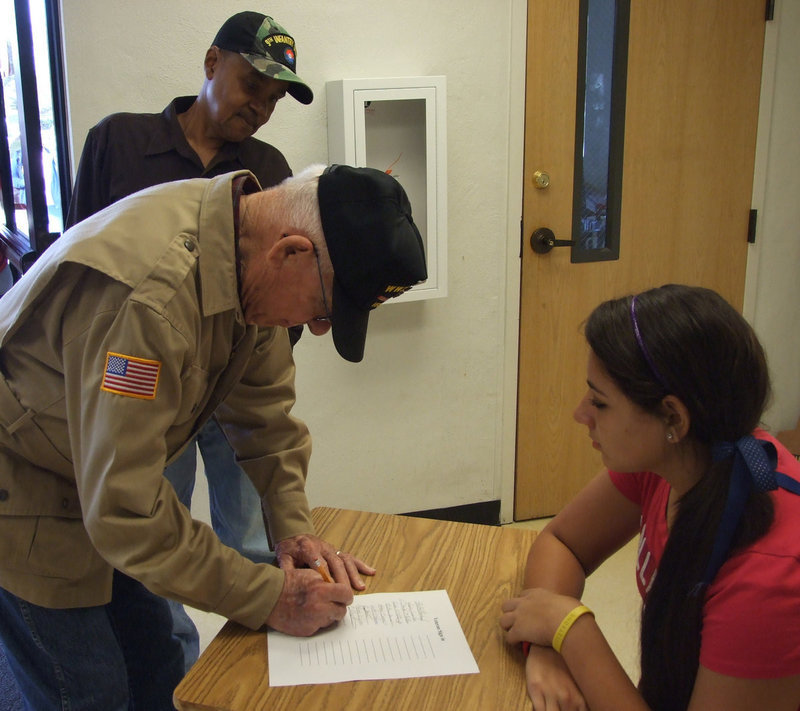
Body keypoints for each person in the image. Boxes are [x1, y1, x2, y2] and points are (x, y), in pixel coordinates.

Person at [0, 163, 428, 710]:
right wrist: (270, 596)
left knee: (158, 663)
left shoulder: (244, 254)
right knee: (88, 691)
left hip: (93, 471)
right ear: (291, 252)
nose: (320, 329)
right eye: (323, 309)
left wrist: (291, 529)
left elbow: (267, 418)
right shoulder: (151, 302)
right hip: (27, 485)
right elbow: (125, 511)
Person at [65, 10, 312, 668]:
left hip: (235, 383)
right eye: (251, 84)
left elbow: (280, 288)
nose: (260, 106)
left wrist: (264, 366)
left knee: (251, 531)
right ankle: (172, 657)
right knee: (147, 526)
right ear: (211, 64)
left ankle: (268, 653)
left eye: (275, 97)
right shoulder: (118, 142)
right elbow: (78, 259)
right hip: (142, 390)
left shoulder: (267, 168)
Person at [500, 284, 800, 711]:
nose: (580, 413)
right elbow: (564, 543)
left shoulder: (769, 581)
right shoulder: (681, 457)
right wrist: (545, 648)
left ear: (673, 417)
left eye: (600, 403)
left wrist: (571, 629)